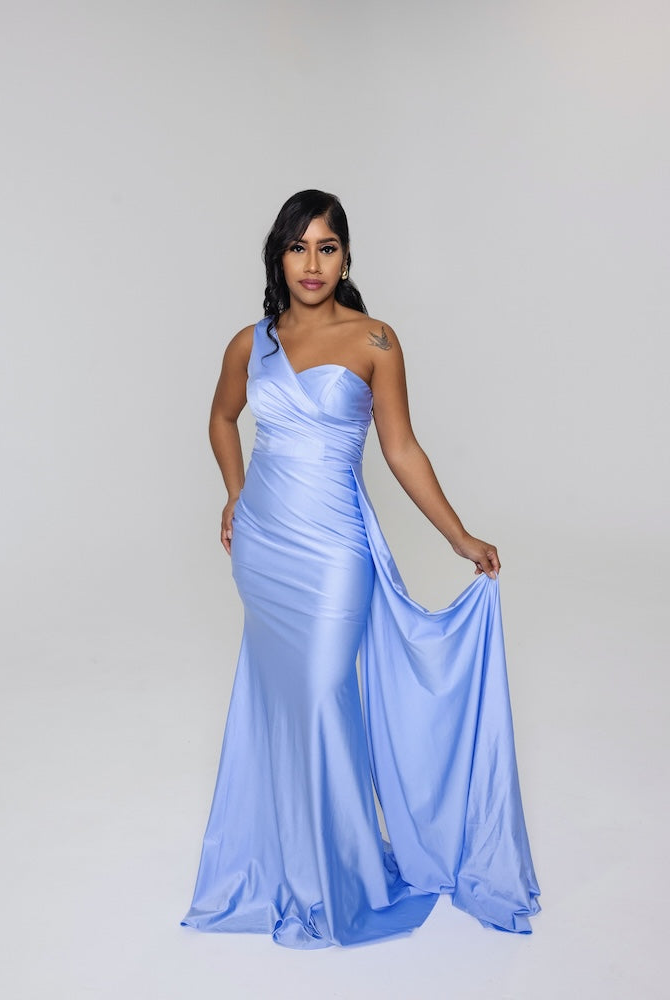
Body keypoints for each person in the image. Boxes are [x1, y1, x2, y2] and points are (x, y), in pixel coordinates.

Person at [181, 190, 540, 949]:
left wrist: (457, 536)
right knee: (283, 705)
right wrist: (235, 495)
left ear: (346, 257)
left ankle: (338, 877)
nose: (312, 264)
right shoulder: (251, 343)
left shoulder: (374, 341)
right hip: (265, 549)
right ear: (278, 257)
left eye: (327, 247)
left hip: (336, 549)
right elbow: (220, 418)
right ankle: (295, 860)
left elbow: (401, 449)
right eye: (298, 247)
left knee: (321, 696)